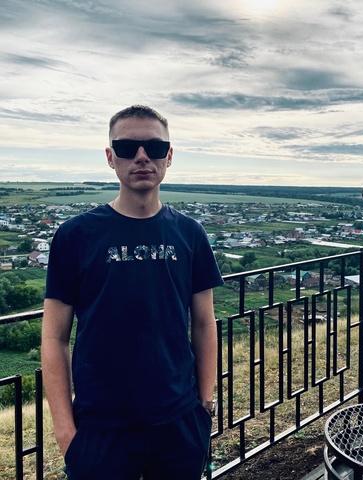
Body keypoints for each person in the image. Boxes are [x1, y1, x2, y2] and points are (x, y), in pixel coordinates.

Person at [41, 105, 224, 480]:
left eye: (155, 147)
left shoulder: (190, 234)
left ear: (169, 156)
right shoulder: (75, 236)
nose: (142, 157)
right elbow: (54, 337)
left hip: (179, 423)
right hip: (100, 427)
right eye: (127, 147)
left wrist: (204, 408)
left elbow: (205, 324)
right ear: (111, 157)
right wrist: (65, 432)